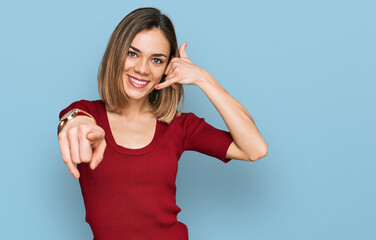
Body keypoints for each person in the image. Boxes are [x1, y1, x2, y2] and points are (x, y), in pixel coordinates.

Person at [57, 7, 268, 240]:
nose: (142, 69)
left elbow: (255, 149)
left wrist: (203, 79)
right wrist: (76, 125)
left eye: (156, 60)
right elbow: (73, 119)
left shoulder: (180, 126)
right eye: (133, 53)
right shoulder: (88, 113)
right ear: (116, 54)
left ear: (168, 69)